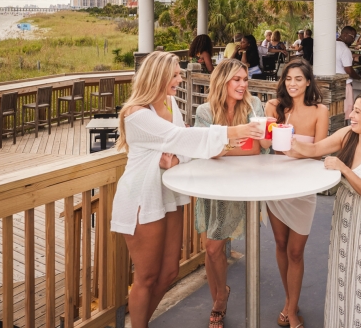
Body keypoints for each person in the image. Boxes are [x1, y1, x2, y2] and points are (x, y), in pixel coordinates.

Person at [110, 51, 259, 328]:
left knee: (168, 273)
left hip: (169, 193)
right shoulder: (135, 114)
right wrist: (236, 132)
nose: (180, 79)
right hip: (143, 195)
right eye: (175, 75)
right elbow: (179, 137)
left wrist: (177, 158)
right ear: (158, 76)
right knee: (146, 277)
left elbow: (184, 146)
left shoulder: (170, 103)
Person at [287, 93, 361, 328]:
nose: (351, 115)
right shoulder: (348, 136)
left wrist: (343, 168)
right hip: (344, 219)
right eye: (353, 110)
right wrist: (289, 142)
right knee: (341, 276)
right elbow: (315, 148)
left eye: (357, 112)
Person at [194, 58, 271, 328]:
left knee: (214, 245)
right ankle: (220, 294)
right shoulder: (204, 111)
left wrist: (222, 145)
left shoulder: (254, 106)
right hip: (211, 183)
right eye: (236, 79)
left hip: (240, 182)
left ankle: (219, 301)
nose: (242, 84)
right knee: (211, 246)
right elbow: (203, 149)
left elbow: (255, 149)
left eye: (245, 79)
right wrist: (227, 144)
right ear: (222, 81)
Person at [264, 60, 329, 328]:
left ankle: (291, 310)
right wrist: (266, 133)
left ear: (308, 82)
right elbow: (265, 144)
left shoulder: (320, 111)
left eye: (298, 79)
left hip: (303, 186)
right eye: (288, 78)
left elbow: (321, 151)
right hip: (276, 184)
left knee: (295, 251)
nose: (292, 84)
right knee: (280, 244)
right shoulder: (273, 107)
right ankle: (291, 302)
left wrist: (296, 148)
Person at [337, 26, 361, 119]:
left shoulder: (330, 46)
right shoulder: (345, 49)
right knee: (346, 114)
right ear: (345, 34)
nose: (354, 40)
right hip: (344, 85)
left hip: (332, 85)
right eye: (353, 36)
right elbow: (349, 70)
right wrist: (359, 77)